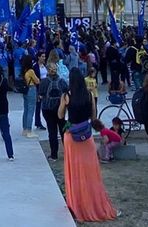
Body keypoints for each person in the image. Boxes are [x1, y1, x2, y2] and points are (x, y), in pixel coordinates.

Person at [57, 68, 117, 221]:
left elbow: (60, 115)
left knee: (74, 172)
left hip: (71, 137)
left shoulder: (66, 96)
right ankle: (92, 203)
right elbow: (93, 116)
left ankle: (76, 204)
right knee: (90, 172)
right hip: (86, 136)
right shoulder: (89, 95)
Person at [39, 64, 67, 161]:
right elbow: (67, 93)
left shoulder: (44, 82)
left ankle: (54, 155)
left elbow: (40, 95)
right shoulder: (62, 81)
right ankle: (68, 153)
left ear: (47, 70)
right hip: (60, 109)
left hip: (48, 109)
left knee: (52, 132)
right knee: (63, 131)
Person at [20, 55, 40, 139]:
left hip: (25, 90)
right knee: (31, 110)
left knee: (26, 109)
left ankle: (24, 129)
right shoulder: (31, 71)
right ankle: (29, 130)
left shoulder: (23, 71)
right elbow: (37, 81)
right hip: (31, 89)